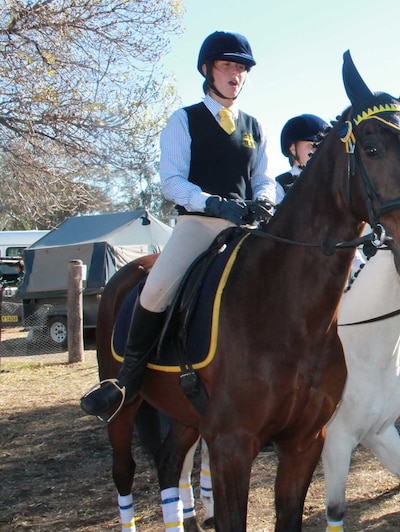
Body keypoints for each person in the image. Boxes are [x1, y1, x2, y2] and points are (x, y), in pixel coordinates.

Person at [80, 30, 277, 422]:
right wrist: (212, 202)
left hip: (245, 229)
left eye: (240, 68)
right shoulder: (184, 119)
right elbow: (171, 180)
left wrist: (265, 200)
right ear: (207, 70)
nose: (235, 75)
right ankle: (126, 380)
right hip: (198, 226)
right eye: (226, 66)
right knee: (154, 290)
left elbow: (264, 177)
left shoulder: (255, 126)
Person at [275, 113, 329, 204]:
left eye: (322, 146)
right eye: (312, 146)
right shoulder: (279, 186)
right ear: (293, 149)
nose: (319, 151)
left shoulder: (334, 181)